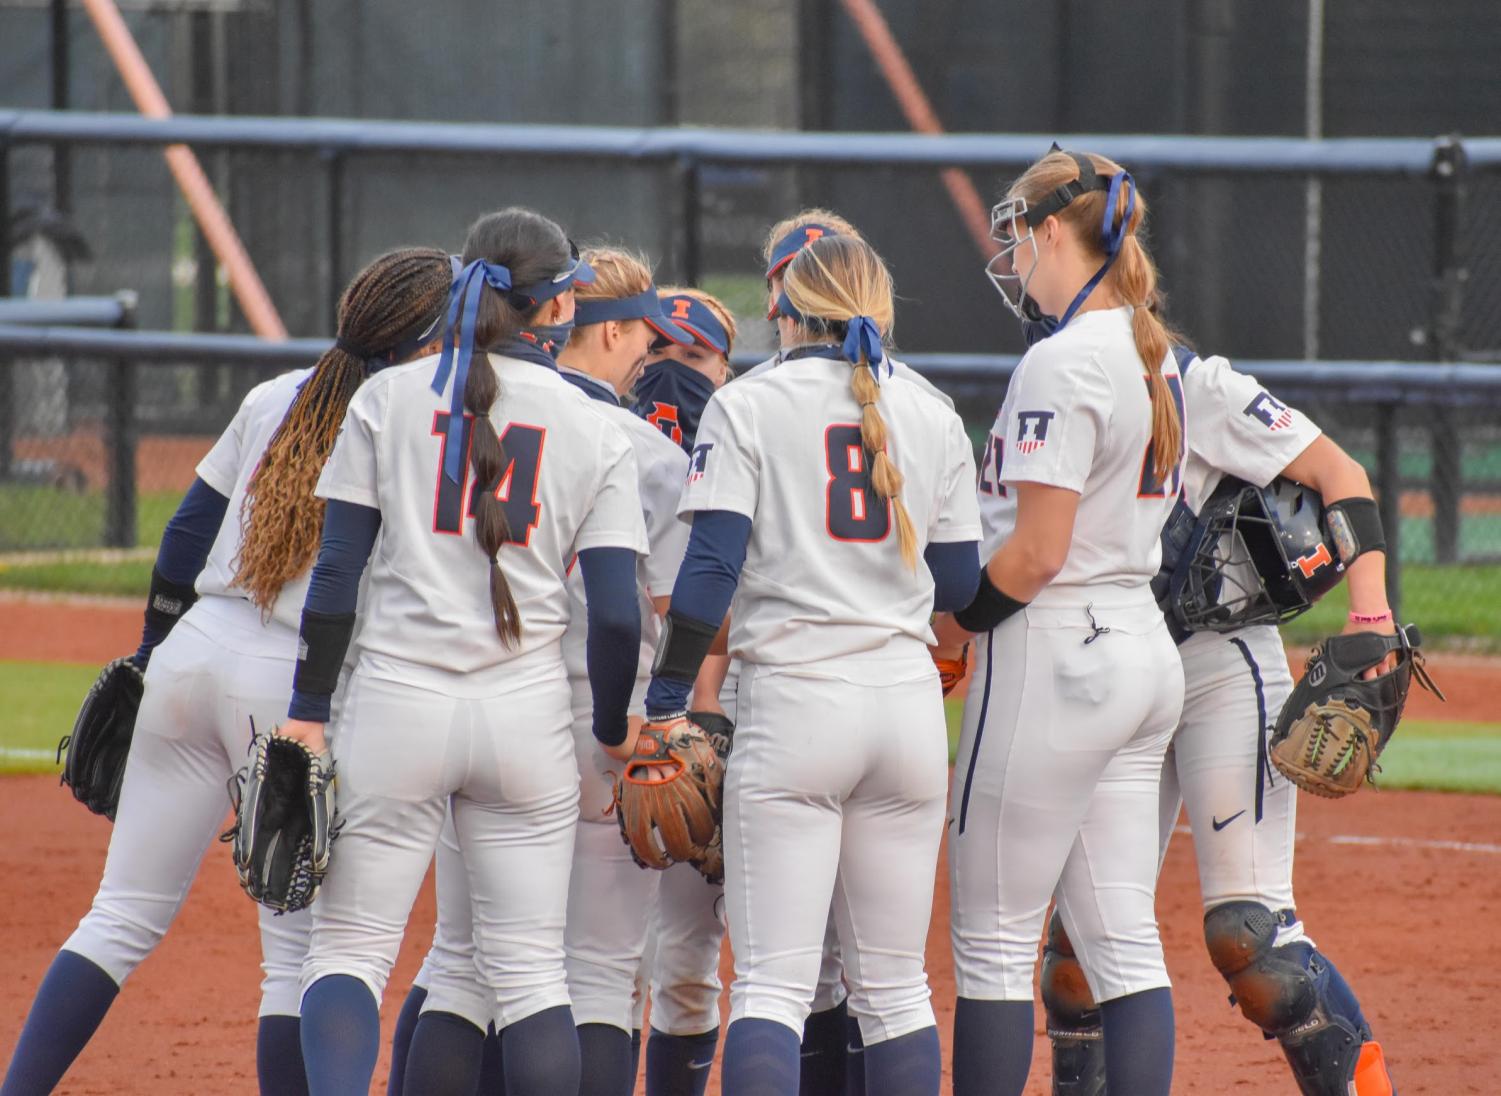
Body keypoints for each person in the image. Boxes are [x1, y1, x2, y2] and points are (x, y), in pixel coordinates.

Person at [0, 248, 454, 1096]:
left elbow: (181, 542)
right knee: (296, 959)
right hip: (289, 683)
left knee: (119, 916)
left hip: (193, 653)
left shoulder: (275, 393)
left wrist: (147, 656)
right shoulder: (419, 422)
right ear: (425, 344)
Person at [274, 208, 648, 1096]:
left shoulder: (388, 396)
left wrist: (307, 712)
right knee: (527, 975)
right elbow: (618, 617)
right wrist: (608, 727)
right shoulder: (597, 425)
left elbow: (336, 578)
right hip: (523, 721)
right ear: (559, 309)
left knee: (352, 950)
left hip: (397, 703)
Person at [641, 232, 982, 1094]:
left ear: (783, 309)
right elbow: (959, 583)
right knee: (897, 992)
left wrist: (668, 699)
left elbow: (710, 573)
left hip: (795, 704)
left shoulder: (749, 403)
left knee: (772, 987)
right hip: (903, 710)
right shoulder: (933, 409)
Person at [1036, 336, 1399, 1096]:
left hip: (1219, 667)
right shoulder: (1046, 389)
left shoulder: (1193, 383)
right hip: (1116, 665)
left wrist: (1371, 615)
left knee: (1252, 943)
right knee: (1076, 955)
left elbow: (1340, 474)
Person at [940, 148, 1187, 1096]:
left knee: (994, 942)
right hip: (1137, 645)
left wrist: (952, 628)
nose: (1013, 254)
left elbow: (1034, 553)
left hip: (1059, 649)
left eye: (1018, 232)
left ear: (1052, 230)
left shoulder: (1063, 356)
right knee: (1123, 940)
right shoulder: (1146, 345)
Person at [632, 286, 737, 454]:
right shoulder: (610, 435)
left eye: (692, 355)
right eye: (655, 351)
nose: (670, 368)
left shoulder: (740, 444)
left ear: (721, 371)